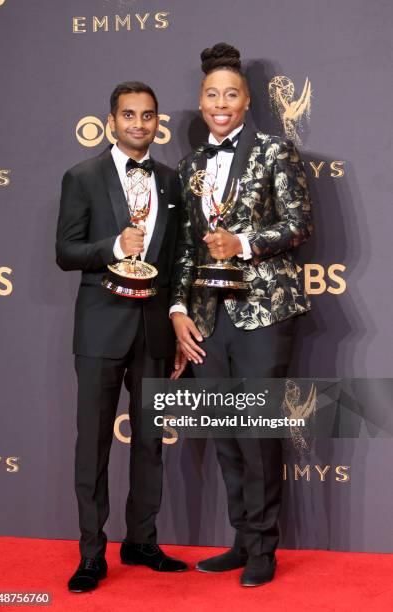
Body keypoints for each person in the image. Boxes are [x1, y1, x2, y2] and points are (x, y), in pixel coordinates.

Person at [170, 43, 313, 587]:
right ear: (201, 102)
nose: (221, 103)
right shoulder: (189, 167)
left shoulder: (276, 151)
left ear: (248, 100)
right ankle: (241, 539)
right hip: (208, 318)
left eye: (231, 93)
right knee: (225, 434)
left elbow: (299, 223)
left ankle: (264, 550)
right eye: (212, 95)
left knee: (256, 432)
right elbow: (185, 247)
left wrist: (245, 243)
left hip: (264, 313)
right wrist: (180, 309)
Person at [56, 81, 187, 593]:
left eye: (148, 115)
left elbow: (177, 258)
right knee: (92, 444)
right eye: (129, 115)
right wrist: (112, 245)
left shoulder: (173, 182)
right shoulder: (82, 176)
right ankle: (92, 553)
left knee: (151, 442)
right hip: (100, 327)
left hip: (154, 329)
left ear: (158, 123)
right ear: (111, 121)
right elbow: (66, 252)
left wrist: (176, 320)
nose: (139, 124)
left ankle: (142, 540)